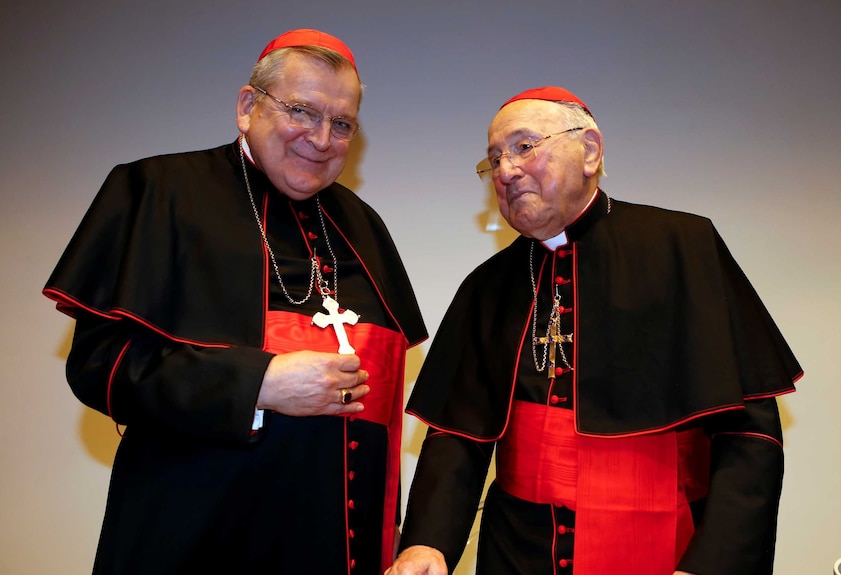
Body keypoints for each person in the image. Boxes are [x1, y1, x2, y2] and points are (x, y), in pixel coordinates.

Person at [43, 29, 426, 575]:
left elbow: (381, 416)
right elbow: (99, 366)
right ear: (248, 107)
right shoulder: (157, 189)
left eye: (342, 124)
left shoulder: (364, 228)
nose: (321, 139)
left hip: (338, 549)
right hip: (195, 540)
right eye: (302, 111)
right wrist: (258, 384)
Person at [388, 86, 802, 575]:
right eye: (493, 159)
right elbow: (457, 436)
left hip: (663, 550)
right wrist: (426, 545)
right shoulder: (487, 287)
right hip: (516, 554)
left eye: (524, 147)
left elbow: (750, 435)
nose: (505, 170)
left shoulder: (682, 248)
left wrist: (711, 565)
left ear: (589, 151)